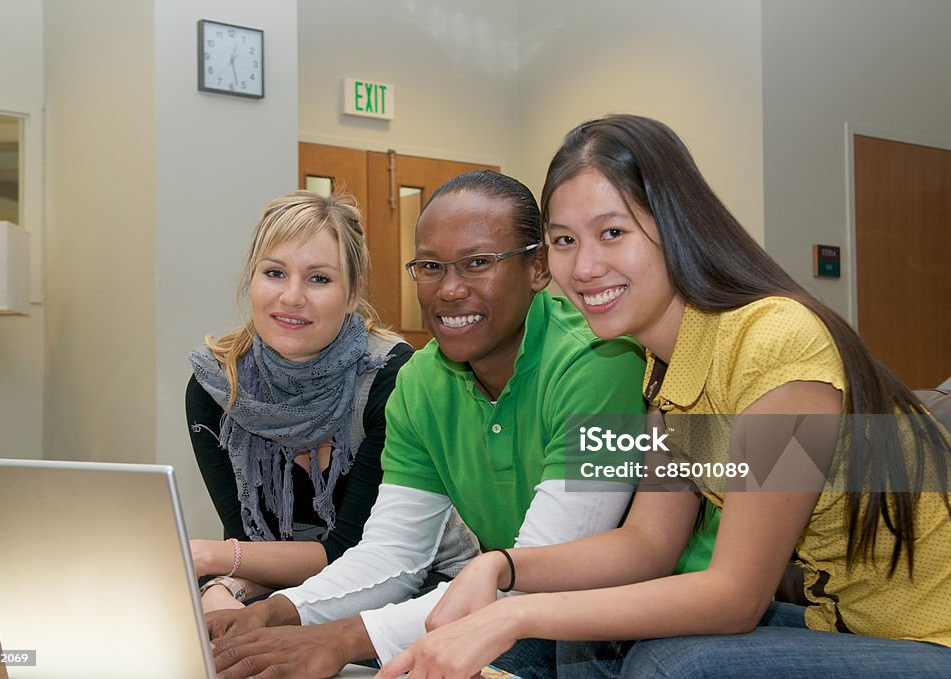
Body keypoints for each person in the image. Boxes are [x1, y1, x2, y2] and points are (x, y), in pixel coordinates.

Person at [381, 116, 951, 679]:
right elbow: (648, 544)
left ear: (676, 224)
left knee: (673, 666)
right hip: (857, 628)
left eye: (612, 232)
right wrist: (501, 568)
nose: (584, 267)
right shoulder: (664, 367)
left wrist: (514, 610)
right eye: (564, 240)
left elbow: (736, 597)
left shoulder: (772, 342)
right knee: (579, 638)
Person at [208, 170, 716, 679]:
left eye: (478, 263)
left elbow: (546, 570)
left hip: (603, 614)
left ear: (538, 268)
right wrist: (281, 613)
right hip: (525, 601)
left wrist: (339, 639)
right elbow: (394, 554)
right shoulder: (421, 380)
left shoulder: (601, 357)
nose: (450, 289)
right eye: (430, 266)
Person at [187, 190, 416, 611]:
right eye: (274, 272)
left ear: (351, 295)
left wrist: (209, 559)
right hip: (278, 597)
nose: (292, 296)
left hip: (399, 601)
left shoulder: (392, 377)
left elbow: (352, 549)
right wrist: (222, 591)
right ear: (251, 279)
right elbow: (251, 545)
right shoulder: (219, 386)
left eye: (319, 278)